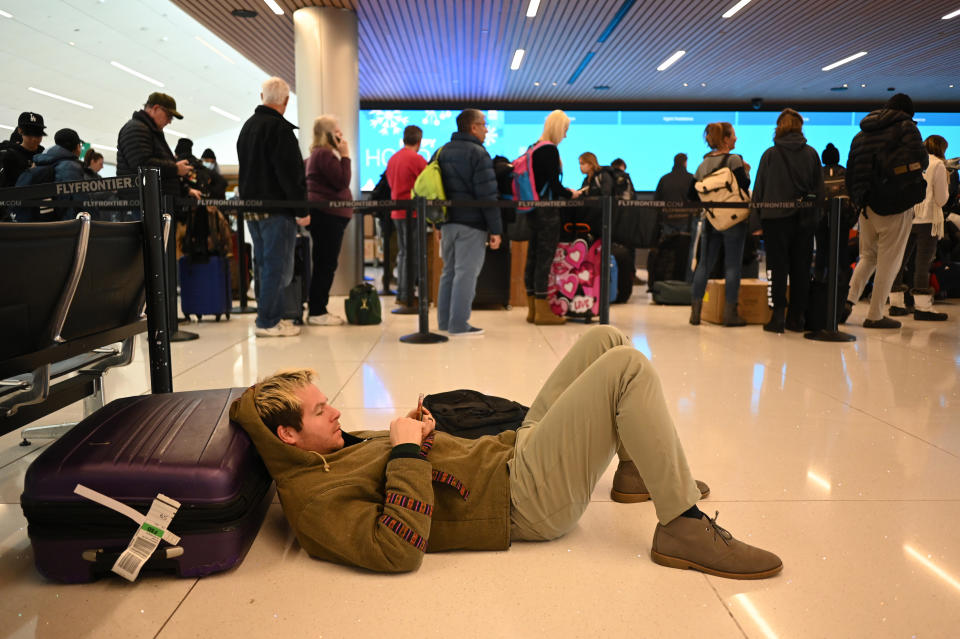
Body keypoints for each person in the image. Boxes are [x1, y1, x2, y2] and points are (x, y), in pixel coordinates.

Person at [230, 325, 782, 579]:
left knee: (607, 340)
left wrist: (419, 436)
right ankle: (681, 523)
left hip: (509, 454)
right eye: (321, 411)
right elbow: (395, 551)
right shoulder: (313, 502)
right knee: (627, 369)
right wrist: (404, 452)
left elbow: (406, 469)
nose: (337, 413)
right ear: (287, 436)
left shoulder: (326, 452)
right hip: (520, 501)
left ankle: (639, 475)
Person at [843, 94, 928, 329]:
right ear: (907, 112)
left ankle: (847, 302)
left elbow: (851, 170)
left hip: (866, 204)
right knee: (889, 261)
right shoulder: (906, 127)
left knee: (868, 256)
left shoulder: (862, 133)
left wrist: (858, 198)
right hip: (895, 201)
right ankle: (875, 314)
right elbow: (922, 159)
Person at [237, 77, 309, 338]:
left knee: (263, 265)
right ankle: (269, 321)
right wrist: (302, 209)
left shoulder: (248, 127)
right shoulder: (280, 130)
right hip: (277, 209)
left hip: (253, 209)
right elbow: (290, 174)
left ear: (261, 97)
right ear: (286, 101)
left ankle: (265, 317)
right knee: (278, 267)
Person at [752, 109, 825, 333]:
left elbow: (760, 189)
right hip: (804, 221)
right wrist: (815, 218)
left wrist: (755, 223)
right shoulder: (812, 154)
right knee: (801, 270)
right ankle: (797, 318)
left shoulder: (770, 154)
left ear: (780, 126)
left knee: (776, 268)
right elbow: (819, 191)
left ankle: (777, 317)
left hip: (775, 220)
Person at [435, 109, 502, 336]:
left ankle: (444, 322)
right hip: (472, 224)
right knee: (466, 273)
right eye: (483, 124)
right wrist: (496, 229)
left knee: (449, 272)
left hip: (447, 222)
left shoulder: (441, 151)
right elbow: (487, 195)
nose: (486, 129)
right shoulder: (479, 154)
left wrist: (436, 224)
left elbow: (434, 189)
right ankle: (459, 324)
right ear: (473, 127)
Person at [689, 122, 752, 326]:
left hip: (711, 219)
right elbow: (744, 186)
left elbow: (691, 193)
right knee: (732, 265)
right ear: (725, 139)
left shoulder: (702, 165)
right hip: (733, 219)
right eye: (733, 135)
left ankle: (695, 313)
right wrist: (746, 171)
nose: (736, 139)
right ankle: (729, 314)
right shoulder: (734, 160)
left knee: (705, 263)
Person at [524, 110, 579, 326]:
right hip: (548, 211)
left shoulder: (532, 147)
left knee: (533, 257)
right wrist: (571, 194)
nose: (565, 135)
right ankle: (542, 310)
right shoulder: (549, 150)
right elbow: (554, 186)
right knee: (544, 260)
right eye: (565, 130)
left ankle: (532, 309)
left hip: (532, 210)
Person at [890, 135, 950, 321]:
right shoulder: (938, 165)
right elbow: (941, 198)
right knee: (923, 262)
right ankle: (922, 307)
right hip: (928, 219)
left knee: (899, 260)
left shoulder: (914, 162)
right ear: (941, 149)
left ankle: (896, 304)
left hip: (908, 216)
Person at [116, 92, 201, 213]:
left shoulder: (149, 131)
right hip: (143, 206)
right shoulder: (136, 128)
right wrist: (175, 169)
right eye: (169, 116)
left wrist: (186, 190)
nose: (170, 121)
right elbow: (143, 164)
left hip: (153, 204)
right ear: (155, 108)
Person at [304, 115, 353, 326]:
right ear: (328, 134)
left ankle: (317, 307)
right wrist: (345, 156)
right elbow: (342, 181)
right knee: (326, 263)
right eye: (337, 130)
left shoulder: (318, 154)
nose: (341, 134)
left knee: (324, 262)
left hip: (327, 216)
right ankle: (317, 310)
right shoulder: (324, 154)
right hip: (327, 217)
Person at [385, 125, 428, 314]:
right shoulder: (417, 160)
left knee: (403, 253)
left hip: (397, 212)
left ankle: (402, 293)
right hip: (413, 213)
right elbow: (426, 184)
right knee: (413, 254)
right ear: (419, 141)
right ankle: (407, 295)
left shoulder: (393, 158)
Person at [0, 112, 46, 221]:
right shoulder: (9, 156)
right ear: (20, 131)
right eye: (30, 133)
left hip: (42, 214)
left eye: (38, 134)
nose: (34, 138)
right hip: (15, 216)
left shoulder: (44, 156)